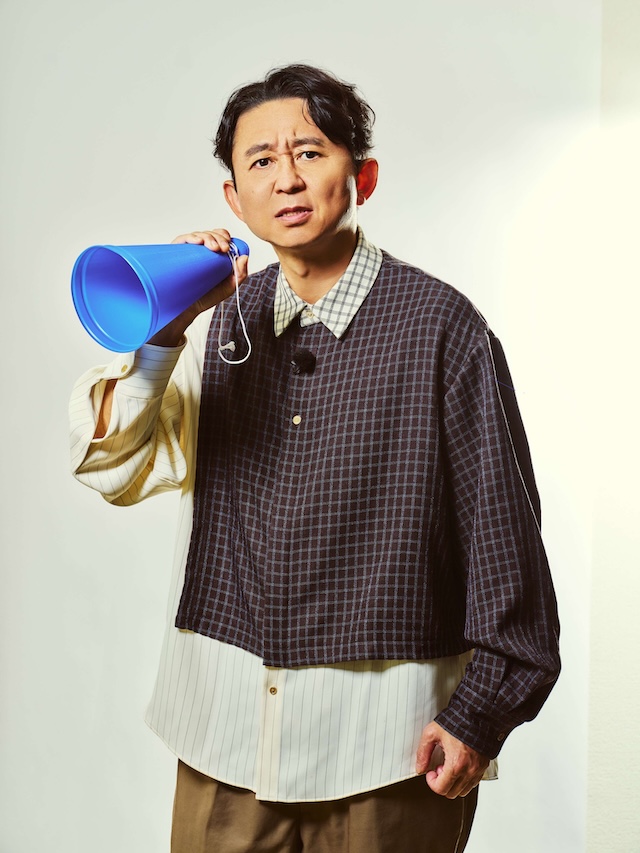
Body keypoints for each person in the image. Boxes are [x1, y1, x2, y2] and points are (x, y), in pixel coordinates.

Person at [69, 64, 560, 853]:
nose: (287, 178)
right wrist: (163, 332)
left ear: (362, 176)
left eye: (310, 152)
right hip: (225, 739)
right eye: (261, 160)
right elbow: (114, 470)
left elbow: (506, 547)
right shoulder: (217, 322)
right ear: (234, 197)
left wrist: (479, 715)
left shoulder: (444, 328)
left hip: (388, 751)